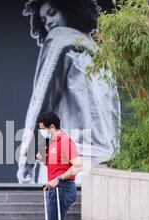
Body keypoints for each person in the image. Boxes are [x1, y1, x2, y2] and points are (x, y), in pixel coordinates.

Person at [17, 0, 121, 184]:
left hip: (66, 158)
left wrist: (29, 156)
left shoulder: (59, 38)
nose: (48, 21)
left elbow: (41, 100)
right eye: (43, 18)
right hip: (103, 158)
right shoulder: (98, 54)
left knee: (58, 211)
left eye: (52, 13)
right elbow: (113, 110)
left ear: (69, 9)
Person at [37, 111, 100, 220]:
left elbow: (77, 166)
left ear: (52, 126)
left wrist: (57, 179)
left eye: (43, 129)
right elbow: (60, 166)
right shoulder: (53, 142)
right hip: (57, 189)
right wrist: (44, 161)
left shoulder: (64, 141)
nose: (42, 133)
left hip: (62, 189)